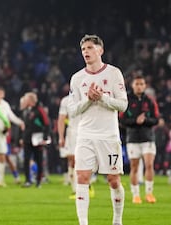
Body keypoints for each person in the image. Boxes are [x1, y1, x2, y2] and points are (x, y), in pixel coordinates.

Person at [68, 34, 127, 225]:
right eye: (83, 49)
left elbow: (123, 105)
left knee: (113, 180)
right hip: (85, 135)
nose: (86, 52)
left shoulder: (114, 73)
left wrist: (102, 98)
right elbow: (72, 110)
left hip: (109, 136)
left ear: (100, 50)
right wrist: (88, 99)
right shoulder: (77, 78)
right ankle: (83, 223)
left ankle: (117, 220)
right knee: (82, 177)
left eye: (90, 48)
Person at [119, 74, 159, 204]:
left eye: (142, 84)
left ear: (145, 86)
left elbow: (156, 119)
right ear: (132, 85)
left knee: (149, 164)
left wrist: (146, 120)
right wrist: (135, 121)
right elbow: (122, 120)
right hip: (133, 138)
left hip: (148, 138)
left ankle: (149, 193)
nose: (139, 86)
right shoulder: (127, 100)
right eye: (137, 84)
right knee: (134, 167)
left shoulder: (150, 100)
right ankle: (136, 195)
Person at [0, 87, 25, 185]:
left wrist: (20, 123)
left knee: (3, 156)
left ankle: (1, 179)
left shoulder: (5, 105)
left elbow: (11, 116)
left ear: (3, 95)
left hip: (3, 134)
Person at [20, 92, 50, 188]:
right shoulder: (26, 111)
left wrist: (45, 137)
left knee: (39, 160)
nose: (24, 100)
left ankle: (38, 181)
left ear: (30, 100)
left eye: (26, 99)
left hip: (38, 140)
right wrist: (22, 137)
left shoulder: (40, 110)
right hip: (27, 139)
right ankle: (28, 180)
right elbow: (24, 126)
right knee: (26, 159)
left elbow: (47, 123)